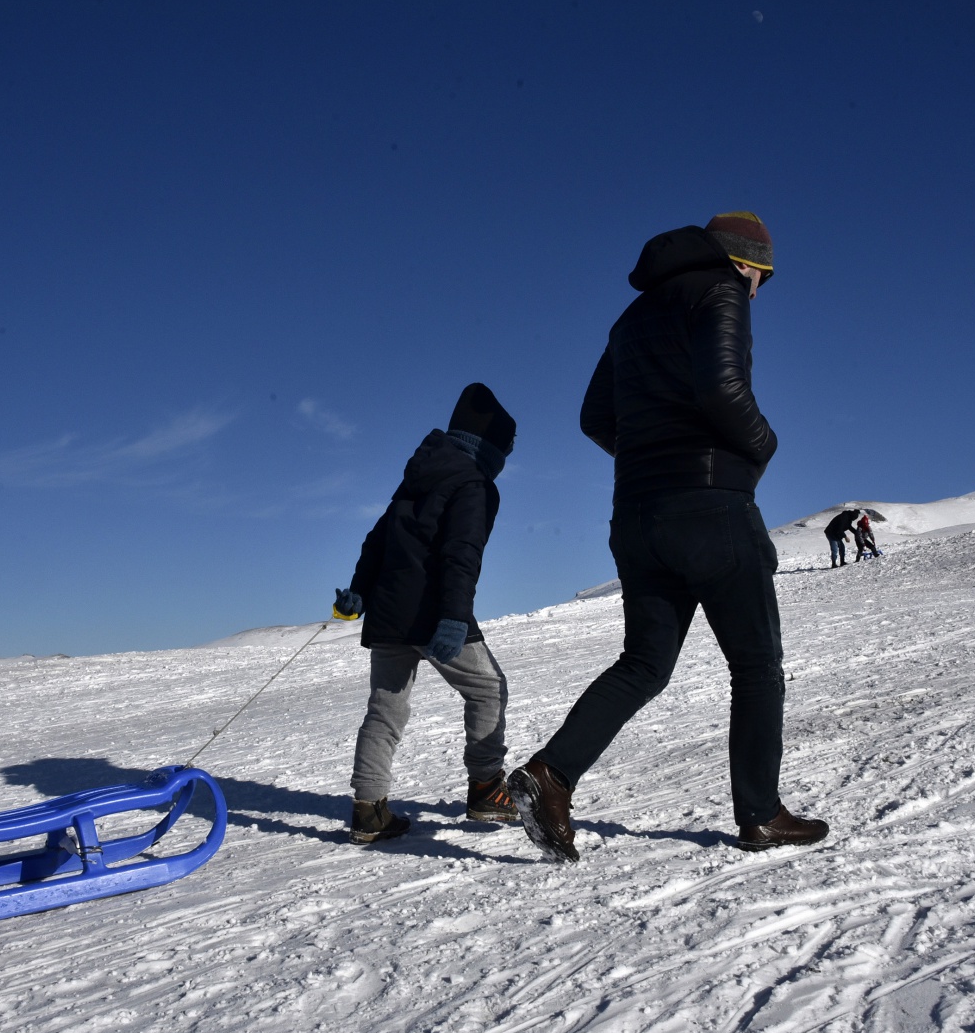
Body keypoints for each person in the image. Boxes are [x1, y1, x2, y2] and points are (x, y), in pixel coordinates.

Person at [506, 212, 828, 861]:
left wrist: (650, 459)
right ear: (743, 262)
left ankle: (551, 774)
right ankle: (760, 815)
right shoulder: (722, 290)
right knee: (756, 666)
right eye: (761, 276)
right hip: (712, 510)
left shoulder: (631, 318)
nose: (758, 289)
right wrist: (762, 446)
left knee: (644, 664)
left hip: (637, 517)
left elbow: (594, 417)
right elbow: (722, 388)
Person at [332, 383, 519, 844]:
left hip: (388, 614)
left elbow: (377, 540)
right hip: (433, 613)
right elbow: (462, 553)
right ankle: (486, 789)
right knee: (488, 690)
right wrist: (453, 617)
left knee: (385, 709)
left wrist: (358, 592)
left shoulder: (418, 476)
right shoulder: (474, 484)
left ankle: (369, 811)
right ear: (490, 446)